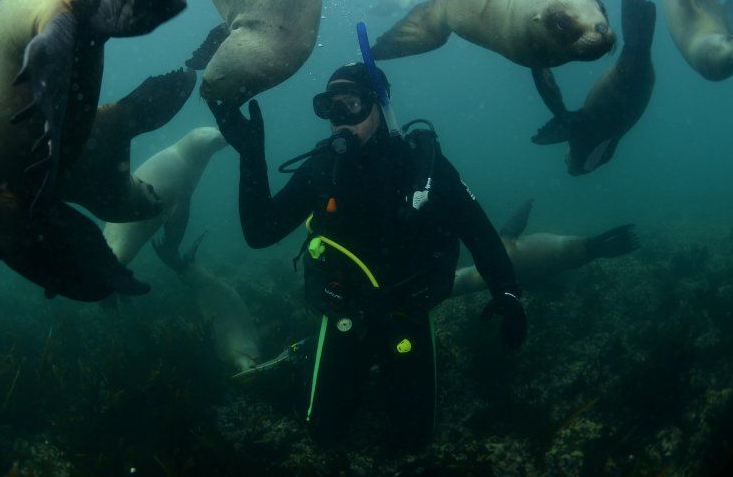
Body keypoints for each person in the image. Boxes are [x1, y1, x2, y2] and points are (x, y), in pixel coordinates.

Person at [209, 62, 527, 449]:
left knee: (414, 440)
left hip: (406, 312)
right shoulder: (323, 168)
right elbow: (260, 233)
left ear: (380, 105)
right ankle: (306, 355)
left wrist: (507, 291)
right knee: (324, 435)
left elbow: (479, 232)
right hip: (346, 314)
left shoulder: (422, 166)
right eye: (330, 107)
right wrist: (250, 155)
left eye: (352, 104)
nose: (340, 118)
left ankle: (314, 353)